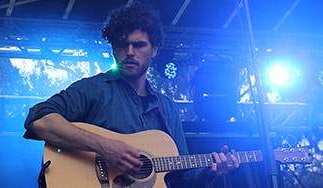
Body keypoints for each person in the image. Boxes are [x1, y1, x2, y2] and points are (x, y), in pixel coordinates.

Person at [23, 3, 239, 187]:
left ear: (154, 50)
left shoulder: (167, 107)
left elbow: (179, 178)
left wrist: (211, 171)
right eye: (122, 45)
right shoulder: (94, 89)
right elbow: (39, 120)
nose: (130, 52)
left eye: (139, 45)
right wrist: (104, 147)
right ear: (113, 50)